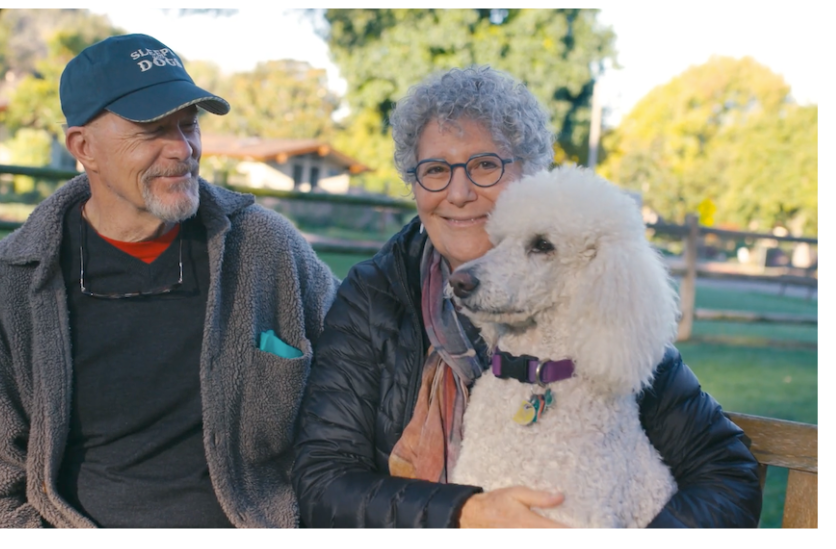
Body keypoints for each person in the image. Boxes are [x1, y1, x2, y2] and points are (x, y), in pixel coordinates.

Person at [292, 65, 762, 528]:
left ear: (532, 176)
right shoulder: (374, 296)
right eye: (435, 170)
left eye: (484, 165)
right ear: (415, 185)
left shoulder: (594, 296)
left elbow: (727, 474)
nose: (458, 192)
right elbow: (323, 484)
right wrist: (467, 513)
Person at [0, 33, 338, 528]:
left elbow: (356, 400)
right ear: (83, 147)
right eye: (152, 131)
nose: (181, 150)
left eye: (189, 126)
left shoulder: (267, 251)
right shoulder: (4, 289)